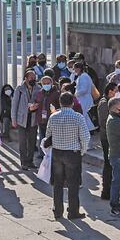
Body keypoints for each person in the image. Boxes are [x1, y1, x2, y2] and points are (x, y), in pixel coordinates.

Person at [46, 91, 91, 220]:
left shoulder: (53, 117)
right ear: (72, 103)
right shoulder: (78, 117)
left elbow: (48, 135)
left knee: (58, 183)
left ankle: (58, 211)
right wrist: (82, 151)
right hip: (72, 153)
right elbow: (85, 137)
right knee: (73, 184)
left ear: (60, 103)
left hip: (57, 152)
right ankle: (73, 211)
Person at [11, 70, 41, 170]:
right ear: (26, 78)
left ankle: (30, 161)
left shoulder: (38, 88)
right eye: (31, 77)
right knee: (22, 142)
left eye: (34, 77)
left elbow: (40, 101)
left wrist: (35, 106)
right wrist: (13, 119)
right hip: (21, 119)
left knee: (32, 142)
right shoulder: (19, 89)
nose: (33, 79)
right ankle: (24, 162)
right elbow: (14, 105)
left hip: (33, 119)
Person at [96, 83, 117, 201]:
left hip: (112, 136)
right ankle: (106, 191)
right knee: (108, 164)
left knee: (113, 164)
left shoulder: (110, 102)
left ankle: (112, 190)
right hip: (107, 137)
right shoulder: (104, 103)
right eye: (115, 90)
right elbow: (104, 121)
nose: (116, 93)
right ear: (110, 91)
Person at [33, 74, 60, 149]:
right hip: (41, 119)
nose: (46, 85)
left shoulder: (56, 93)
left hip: (52, 120)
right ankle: (42, 153)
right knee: (42, 137)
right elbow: (36, 103)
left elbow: (60, 106)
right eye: (44, 83)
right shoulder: (39, 93)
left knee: (51, 138)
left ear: (51, 83)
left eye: (48, 83)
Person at [73, 62, 96, 133]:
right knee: (85, 115)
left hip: (85, 99)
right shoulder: (82, 76)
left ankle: (88, 130)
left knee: (86, 115)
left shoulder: (84, 76)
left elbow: (84, 89)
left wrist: (75, 94)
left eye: (75, 69)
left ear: (79, 69)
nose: (74, 70)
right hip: (83, 99)